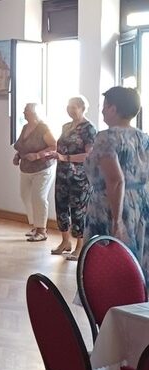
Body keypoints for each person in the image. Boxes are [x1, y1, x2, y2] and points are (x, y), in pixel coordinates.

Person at [85, 86, 149, 278]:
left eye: (105, 106)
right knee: (135, 261)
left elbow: (115, 180)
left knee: (110, 262)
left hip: (112, 204)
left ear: (113, 108)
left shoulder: (106, 137)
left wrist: (117, 220)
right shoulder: (143, 137)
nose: (102, 110)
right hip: (139, 203)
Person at [51, 96, 96, 260]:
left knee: (78, 211)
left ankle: (80, 246)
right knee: (61, 206)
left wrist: (66, 158)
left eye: (74, 107)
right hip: (62, 173)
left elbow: (89, 155)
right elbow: (61, 149)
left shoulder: (89, 129)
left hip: (80, 177)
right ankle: (65, 242)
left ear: (82, 108)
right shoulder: (66, 126)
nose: (70, 110)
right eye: (68, 106)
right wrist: (54, 155)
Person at [12, 103, 57, 243]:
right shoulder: (25, 127)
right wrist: (17, 156)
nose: (24, 112)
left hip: (43, 169)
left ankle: (41, 230)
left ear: (34, 113)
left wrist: (38, 155)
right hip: (26, 168)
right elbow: (21, 146)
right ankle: (35, 225)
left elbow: (54, 146)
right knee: (25, 195)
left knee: (39, 197)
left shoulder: (43, 128)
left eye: (26, 110)